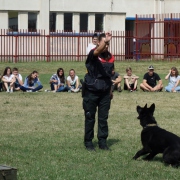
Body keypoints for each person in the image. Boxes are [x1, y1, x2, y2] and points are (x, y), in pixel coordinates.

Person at [82, 32, 114, 151]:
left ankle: (102, 142)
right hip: (92, 91)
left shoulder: (110, 57)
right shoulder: (93, 54)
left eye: (108, 44)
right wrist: (105, 41)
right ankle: (89, 142)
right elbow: (98, 51)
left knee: (103, 118)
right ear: (99, 43)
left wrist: (110, 90)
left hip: (105, 92)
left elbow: (110, 75)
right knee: (90, 117)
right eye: (104, 43)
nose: (106, 46)